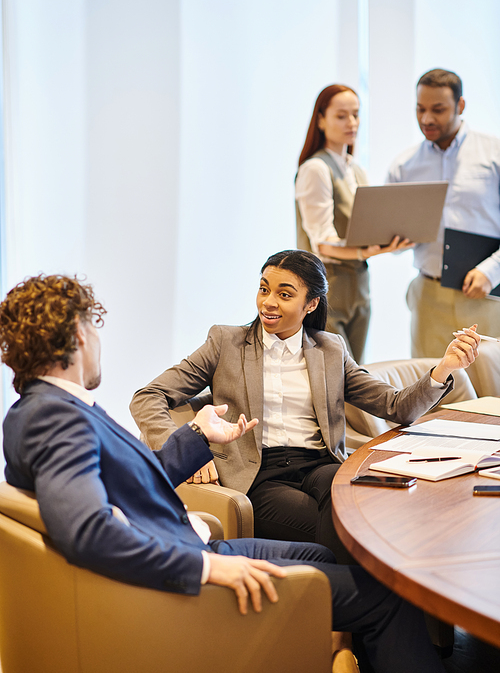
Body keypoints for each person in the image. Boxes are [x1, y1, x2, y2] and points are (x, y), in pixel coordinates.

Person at [0, 274, 454, 673]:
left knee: (323, 556)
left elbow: (129, 482)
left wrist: (197, 435)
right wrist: (207, 565)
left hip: (184, 538)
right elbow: (87, 531)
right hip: (182, 570)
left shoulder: (43, 408)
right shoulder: (55, 419)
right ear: (78, 338)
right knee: (387, 597)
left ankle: (339, 649)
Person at [131, 249, 479, 568]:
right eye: (264, 289)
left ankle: (340, 619)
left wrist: (444, 368)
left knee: (356, 504)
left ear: (311, 304)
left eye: (284, 294)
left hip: (320, 466)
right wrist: (186, 448)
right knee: (359, 528)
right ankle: (352, 618)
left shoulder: (330, 349)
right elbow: (148, 397)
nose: (268, 302)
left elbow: (395, 406)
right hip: (260, 475)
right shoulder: (225, 342)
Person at [388, 68, 500, 358]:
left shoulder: (494, 154)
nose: (426, 119)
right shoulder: (404, 165)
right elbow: (392, 240)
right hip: (429, 298)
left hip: (486, 296)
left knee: (489, 395)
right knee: (429, 393)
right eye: (420, 109)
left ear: (460, 106)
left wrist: (491, 271)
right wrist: (393, 240)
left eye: (438, 110)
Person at [295, 84, 412, 363]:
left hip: (359, 282)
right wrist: (364, 251)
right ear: (321, 120)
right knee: (336, 375)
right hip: (328, 285)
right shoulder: (315, 168)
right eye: (341, 116)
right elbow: (322, 241)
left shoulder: (355, 169)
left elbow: (365, 229)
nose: (352, 123)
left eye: (356, 115)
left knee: (355, 373)